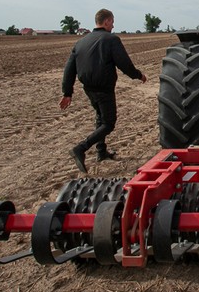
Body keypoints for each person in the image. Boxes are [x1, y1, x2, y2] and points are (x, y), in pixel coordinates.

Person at [60, 9, 147, 174]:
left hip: (89, 89)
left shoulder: (81, 42)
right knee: (108, 123)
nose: (113, 25)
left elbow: (69, 69)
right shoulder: (111, 40)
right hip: (104, 88)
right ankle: (81, 148)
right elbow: (124, 64)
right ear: (106, 21)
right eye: (112, 21)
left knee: (100, 118)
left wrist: (67, 93)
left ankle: (101, 152)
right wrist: (138, 75)